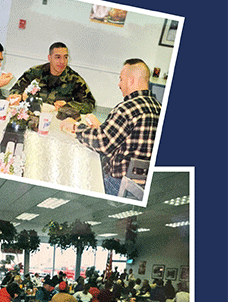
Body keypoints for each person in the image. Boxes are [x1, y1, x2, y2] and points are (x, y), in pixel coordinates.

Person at [61, 58, 161, 197]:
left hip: (116, 184)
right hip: (140, 187)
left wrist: (75, 126)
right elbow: (128, 140)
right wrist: (102, 128)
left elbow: (102, 144)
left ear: (131, 80)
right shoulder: (159, 108)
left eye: (121, 79)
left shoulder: (127, 108)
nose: (119, 84)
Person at [10, 42, 95, 117]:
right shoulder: (35, 72)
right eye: (57, 57)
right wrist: (20, 96)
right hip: (32, 114)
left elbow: (90, 104)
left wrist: (69, 105)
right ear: (49, 58)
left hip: (58, 118)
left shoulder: (74, 79)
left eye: (65, 57)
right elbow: (15, 90)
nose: (62, 62)